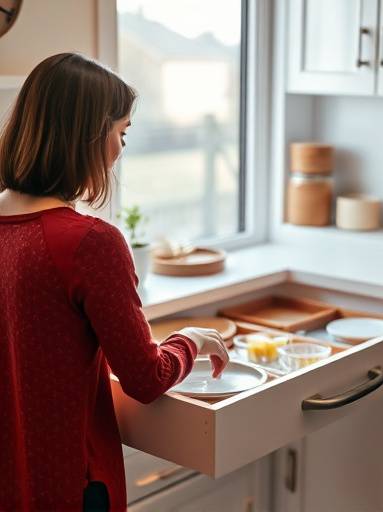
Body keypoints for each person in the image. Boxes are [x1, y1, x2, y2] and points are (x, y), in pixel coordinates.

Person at [0, 52, 229, 512]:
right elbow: (146, 377)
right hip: (70, 485)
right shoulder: (88, 242)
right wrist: (193, 339)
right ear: (86, 137)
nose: (121, 149)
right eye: (120, 133)